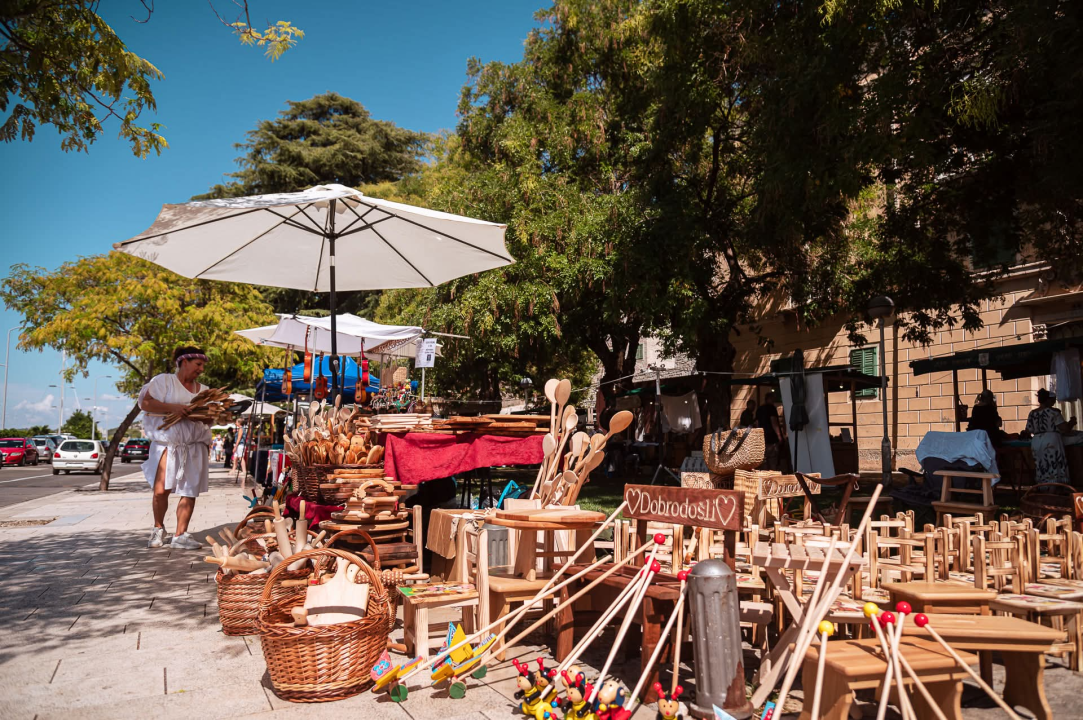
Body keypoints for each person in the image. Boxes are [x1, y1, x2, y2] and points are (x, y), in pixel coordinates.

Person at [140, 346, 213, 549]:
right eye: (198, 365)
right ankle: (158, 528)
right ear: (184, 362)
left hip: (193, 445)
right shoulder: (163, 381)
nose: (201, 369)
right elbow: (146, 403)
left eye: (203, 366)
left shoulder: (204, 391)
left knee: (189, 490)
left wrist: (198, 414)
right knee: (161, 490)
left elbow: (209, 419)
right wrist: (175, 408)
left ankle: (180, 535)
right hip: (168, 444)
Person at [1023, 388, 1076, 484]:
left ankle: (1043, 487)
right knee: (1053, 465)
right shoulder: (1053, 412)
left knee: (1041, 466)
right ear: (1048, 400)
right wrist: (1072, 423)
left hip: (1036, 442)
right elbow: (1064, 428)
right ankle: (1054, 489)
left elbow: (1028, 430)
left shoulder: (1032, 413)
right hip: (1051, 441)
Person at [756, 391, 784, 471]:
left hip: (762, 438)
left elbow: (757, 423)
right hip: (771, 438)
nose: (774, 400)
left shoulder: (759, 409)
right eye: (773, 399)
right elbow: (774, 422)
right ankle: (773, 478)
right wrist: (779, 436)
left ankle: (765, 479)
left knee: (764, 461)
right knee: (773, 460)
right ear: (770, 398)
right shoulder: (771, 408)